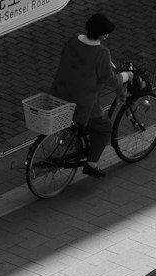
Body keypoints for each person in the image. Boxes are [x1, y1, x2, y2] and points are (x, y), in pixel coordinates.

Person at [48, 12, 129, 178]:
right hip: (83, 102)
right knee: (104, 129)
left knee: (80, 124)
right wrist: (128, 76)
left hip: (60, 91)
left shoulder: (73, 39)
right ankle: (91, 164)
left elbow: (66, 55)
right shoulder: (101, 52)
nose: (107, 35)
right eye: (106, 32)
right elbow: (110, 80)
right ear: (101, 34)